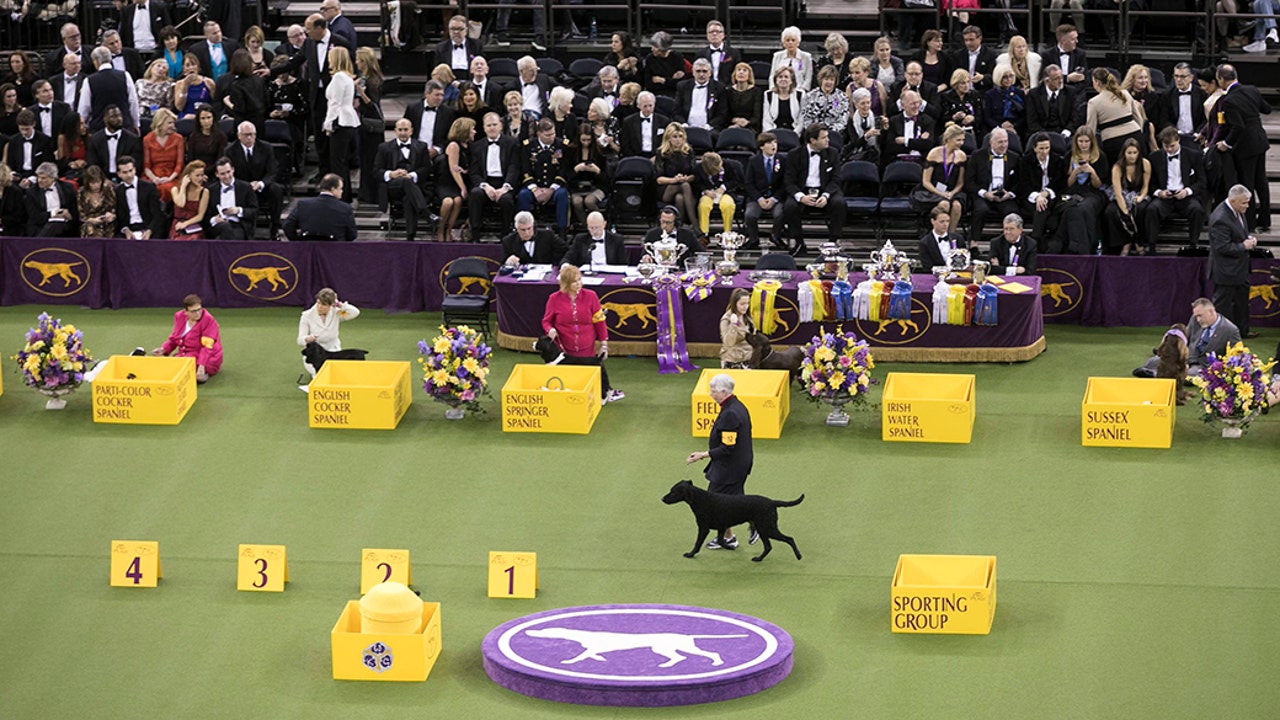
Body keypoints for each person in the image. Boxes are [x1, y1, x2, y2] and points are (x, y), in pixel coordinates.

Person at [684, 373, 753, 549]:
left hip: (730, 467)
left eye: (713, 391)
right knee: (728, 502)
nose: (710, 394)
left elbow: (727, 448)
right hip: (737, 463)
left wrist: (702, 454)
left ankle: (754, 522)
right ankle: (729, 537)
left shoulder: (730, 413)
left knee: (716, 502)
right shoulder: (736, 405)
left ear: (723, 392)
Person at [541, 263, 624, 403]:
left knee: (589, 372)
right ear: (566, 284)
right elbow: (546, 321)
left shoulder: (591, 296)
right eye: (574, 282)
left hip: (586, 345)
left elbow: (599, 321)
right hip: (564, 346)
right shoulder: (554, 298)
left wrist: (604, 344)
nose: (579, 284)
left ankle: (603, 392)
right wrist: (550, 330)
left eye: (580, 280)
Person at [1215, 65, 1271, 233]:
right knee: (1261, 182)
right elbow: (1266, 109)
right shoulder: (1251, 90)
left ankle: (1250, 224)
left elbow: (1237, 127)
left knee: (1248, 182)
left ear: (1222, 80)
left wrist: (1225, 144)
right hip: (1260, 141)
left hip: (1246, 147)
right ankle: (1265, 220)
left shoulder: (1229, 100)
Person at [782, 122, 844, 256]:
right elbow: (789, 180)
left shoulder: (833, 153)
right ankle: (799, 243)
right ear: (813, 140)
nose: (828, 140)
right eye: (824, 138)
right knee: (790, 206)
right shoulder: (795, 154)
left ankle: (832, 243)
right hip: (802, 190)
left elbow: (836, 179)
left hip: (825, 190)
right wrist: (801, 197)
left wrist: (826, 195)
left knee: (839, 203)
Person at [1136, 297, 1240, 378]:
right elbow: (1185, 337)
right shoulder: (1195, 319)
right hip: (1186, 357)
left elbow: (1236, 356)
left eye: (1200, 316)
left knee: (1191, 375)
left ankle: (1155, 374)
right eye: (1196, 316)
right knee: (1152, 362)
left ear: (1211, 311)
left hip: (1203, 366)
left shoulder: (1230, 330)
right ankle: (1149, 370)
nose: (1198, 320)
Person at [1145, 126, 1207, 253]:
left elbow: (1202, 181)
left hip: (1185, 196)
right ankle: (1151, 246)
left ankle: (1193, 245)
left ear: (1178, 140)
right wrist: (1159, 192)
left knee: (1196, 210)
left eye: (1172, 146)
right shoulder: (1154, 157)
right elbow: (1150, 183)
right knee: (1152, 209)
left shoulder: (1193, 155)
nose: (1169, 149)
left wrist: (1187, 191)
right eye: (1166, 146)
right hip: (1165, 197)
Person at [1208, 185, 1258, 339]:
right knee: (1223, 305)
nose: (1247, 206)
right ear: (1233, 200)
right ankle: (1220, 336)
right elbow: (1221, 247)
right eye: (1244, 203)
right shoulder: (1220, 218)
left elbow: (1237, 233)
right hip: (1226, 271)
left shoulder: (1236, 210)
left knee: (1242, 302)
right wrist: (1244, 245)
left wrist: (1247, 239)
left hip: (1239, 269)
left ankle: (1242, 331)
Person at [374, 118, 433, 241]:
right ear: (395, 131)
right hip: (392, 188)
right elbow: (376, 172)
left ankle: (410, 237)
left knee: (408, 197)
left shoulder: (421, 146)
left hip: (414, 188)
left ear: (411, 131)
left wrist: (412, 175)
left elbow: (426, 168)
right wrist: (391, 174)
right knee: (406, 182)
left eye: (405, 130)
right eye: (400, 130)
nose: (403, 132)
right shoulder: (384, 147)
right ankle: (426, 213)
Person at [467, 111, 518, 242]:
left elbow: (514, 167)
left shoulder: (512, 143)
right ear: (484, 128)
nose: (492, 128)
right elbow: (474, 172)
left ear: (501, 126)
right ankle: (475, 234)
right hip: (486, 182)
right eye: (488, 125)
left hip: (504, 183)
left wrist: (505, 187)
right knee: (475, 194)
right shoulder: (477, 146)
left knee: (506, 200)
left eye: (494, 124)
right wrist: (485, 186)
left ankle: (506, 236)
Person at [1016, 132, 1070, 252]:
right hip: (1030, 198)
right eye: (1041, 148)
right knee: (1043, 211)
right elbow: (1023, 185)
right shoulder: (1025, 161)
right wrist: (1037, 197)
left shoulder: (1057, 160)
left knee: (1048, 213)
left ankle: (1035, 243)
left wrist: (1047, 193)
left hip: (1051, 197)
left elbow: (1060, 183)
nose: (1044, 151)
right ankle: (1037, 243)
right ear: (1035, 148)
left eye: (1047, 148)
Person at [518, 117, 572, 235]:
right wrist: (534, 189)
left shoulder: (561, 145)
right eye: (547, 135)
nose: (551, 137)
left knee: (562, 195)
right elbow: (525, 170)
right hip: (534, 185)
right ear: (539, 134)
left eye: (553, 134)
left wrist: (552, 189)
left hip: (555, 186)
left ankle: (562, 231)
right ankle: (524, 230)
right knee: (523, 195)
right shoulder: (528, 146)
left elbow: (564, 170)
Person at [152, 294, 222, 383]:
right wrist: (163, 349)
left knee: (175, 369)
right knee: (172, 367)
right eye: (193, 311)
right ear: (186, 312)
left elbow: (207, 347)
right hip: (186, 354)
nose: (197, 313)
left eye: (199, 309)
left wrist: (201, 367)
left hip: (208, 357)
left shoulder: (209, 321)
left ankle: (201, 373)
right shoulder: (179, 316)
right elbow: (175, 338)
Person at [1064, 125, 1109, 254]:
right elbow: (1068, 184)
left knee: (1084, 208)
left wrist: (1092, 172)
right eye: (1081, 141)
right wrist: (1075, 172)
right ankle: (1074, 245)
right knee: (1071, 208)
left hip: (1093, 193)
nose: (1083, 144)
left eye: (1086, 141)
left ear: (1092, 142)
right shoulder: (1070, 156)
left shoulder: (1100, 157)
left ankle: (1085, 246)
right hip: (1074, 192)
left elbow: (1099, 184)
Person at [298, 287, 360, 379]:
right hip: (315, 354)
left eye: (324, 305)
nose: (319, 307)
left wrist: (339, 304)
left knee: (336, 376)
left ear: (331, 305)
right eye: (318, 303)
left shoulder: (337, 313)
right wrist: (308, 339)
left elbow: (354, 313)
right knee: (321, 376)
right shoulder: (307, 316)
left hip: (333, 351)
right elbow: (300, 340)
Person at [1087, 68, 1145, 164]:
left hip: (1113, 142)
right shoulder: (1125, 93)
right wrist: (1139, 133)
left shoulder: (1094, 102)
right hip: (1135, 136)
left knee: (1116, 172)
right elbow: (1138, 117)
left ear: (1096, 82)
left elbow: (1091, 129)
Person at [323, 46, 358, 203]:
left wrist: (328, 125)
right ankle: (345, 196)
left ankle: (341, 197)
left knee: (338, 163)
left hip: (340, 122)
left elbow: (335, 104)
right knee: (342, 163)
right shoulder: (347, 77)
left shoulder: (338, 78)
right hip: (348, 121)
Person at [911, 124, 967, 221]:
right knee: (944, 204)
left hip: (952, 191)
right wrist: (941, 194)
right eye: (958, 140)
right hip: (932, 191)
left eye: (962, 140)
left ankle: (950, 234)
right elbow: (926, 181)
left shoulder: (962, 156)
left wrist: (952, 193)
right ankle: (939, 233)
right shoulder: (934, 153)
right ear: (948, 139)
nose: (961, 143)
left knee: (957, 205)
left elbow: (960, 182)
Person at [1104, 138, 1151, 255]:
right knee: (1111, 212)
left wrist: (1141, 197)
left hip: (1138, 193)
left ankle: (1138, 242)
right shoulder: (1117, 167)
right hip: (1121, 195)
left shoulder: (1145, 164)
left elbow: (1145, 186)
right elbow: (1118, 193)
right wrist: (1125, 211)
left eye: (1135, 153)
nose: (1132, 156)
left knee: (1139, 209)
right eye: (1129, 153)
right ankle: (1125, 243)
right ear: (1124, 153)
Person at [79, 46, 140, 133]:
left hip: (99, 130)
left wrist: (84, 125)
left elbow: (84, 108)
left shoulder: (89, 80)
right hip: (124, 127)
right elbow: (133, 103)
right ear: (110, 59)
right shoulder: (125, 76)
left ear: (96, 62)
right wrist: (136, 124)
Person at [283, 172, 356, 241]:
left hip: (308, 250)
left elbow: (287, 226)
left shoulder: (303, 204)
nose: (342, 191)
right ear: (333, 189)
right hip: (335, 251)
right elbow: (352, 235)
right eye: (340, 188)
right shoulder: (345, 208)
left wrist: (299, 242)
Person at [744, 131, 784, 249]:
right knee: (750, 215)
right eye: (770, 143)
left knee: (780, 213)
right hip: (757, 197)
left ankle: (776, 236)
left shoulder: (783, 160)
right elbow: (749, 183)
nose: (774, 145)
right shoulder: (753, 161)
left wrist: (774, 198)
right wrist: (759, 198)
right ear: (762, 146)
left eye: (775, 142)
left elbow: (785, 183)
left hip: (776, 197)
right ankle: (753, 239)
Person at [439, 116, 474, 242]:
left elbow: (467, 166)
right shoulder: (454, 145)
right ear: (464, 130)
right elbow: (453, 169)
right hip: (447, 181)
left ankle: (449, 230)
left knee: (458, 201)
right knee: (448, 202)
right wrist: (463, 188)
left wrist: (466, 171)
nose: (474, 131)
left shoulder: (470, 146)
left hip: (459, 181)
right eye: (472, 129)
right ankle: (440, 229)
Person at [205, 156, 257, 239]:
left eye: (228, 172)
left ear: (233, 169)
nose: (227, 176)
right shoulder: (211, 190)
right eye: (222, 174)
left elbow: (254, 211)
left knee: (227, 237)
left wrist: (238, 210)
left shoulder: (245, 187)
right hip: (218, 226)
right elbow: (205, 214)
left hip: (238, 225)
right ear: (216, 174)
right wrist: (214, 219)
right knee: (225, 230)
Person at [655, 122, 697, 225]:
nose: (678, 140)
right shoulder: (662, 153)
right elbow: (659, 179)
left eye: (680, 137)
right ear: (668, 138)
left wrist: (686, 178)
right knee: (685, 186)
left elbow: (694, 175)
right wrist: (675, 180)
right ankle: (695, 225)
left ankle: (679, 228)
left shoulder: (688, 151)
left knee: (680, 198)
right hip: (666, 188)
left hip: (684, 188)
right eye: (675, 137)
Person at [115, 154, 165, 239]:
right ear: (119, 174)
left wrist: (150, 230)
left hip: (148, 226)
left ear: (135, 169)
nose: (129, 175)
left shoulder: (149, 187)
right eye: (125, 172)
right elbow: (120, 215)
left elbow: (157, 213)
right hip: (129, 228)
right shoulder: (118, 191)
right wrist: (126, 230)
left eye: (131, 170)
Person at [567, 124, 608, 227]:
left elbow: (606, 178)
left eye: (588, 140)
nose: (586, 143)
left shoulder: (599, 151)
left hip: (596, 185)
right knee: (577, 202)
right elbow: (566, 175)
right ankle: (588, 226)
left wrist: (597, 170)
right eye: (583, 140)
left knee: (589, 201)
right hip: (577, 186)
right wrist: (576, 169)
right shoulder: (571, 151)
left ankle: (602, 224)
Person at [403, 80, 455, 158]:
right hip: (413, 151)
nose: (440, 98)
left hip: (437, 154)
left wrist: (437, 149)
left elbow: (450, 136)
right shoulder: (413, 109)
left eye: (442, 95)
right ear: (427, 94)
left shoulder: (448, 112)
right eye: (437, 95)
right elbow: (405, 129)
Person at [674, 58, 728, 133]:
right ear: (693, 72)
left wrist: (708, 126)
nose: (701, 74)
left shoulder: (719, 88)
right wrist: (683, 124)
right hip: (685, 128)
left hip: (710, 129)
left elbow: (722, 114)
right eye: (698, 71)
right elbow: (676, 110)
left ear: (710, 73)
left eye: (704, 71)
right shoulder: (682, 86)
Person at [694, 151, 739, 241]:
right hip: (708, 193)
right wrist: (705, 191)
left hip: (726, 192)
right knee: (703, 206)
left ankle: (727, 234)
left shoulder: (728, 165)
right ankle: (704, 235)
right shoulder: (698, 168)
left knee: (727, 205)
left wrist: (723, 187)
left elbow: (735, 181)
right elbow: (697, 184)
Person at [24, 161, 76, 235]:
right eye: (38, 177)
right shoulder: (32, 192)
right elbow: (34, 217)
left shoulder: (67, 189)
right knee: (54, 226)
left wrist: (69, 216)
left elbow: (74, 213)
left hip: (64, 224)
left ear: (53, 178)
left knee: (58, 226)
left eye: (43, 178)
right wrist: (53, 213)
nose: (39, 181)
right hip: (42, 225)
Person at [885, 90, 936, 164]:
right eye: (912, 104)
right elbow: (891, 146)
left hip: (920, 161)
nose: (916, 106)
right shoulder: (894, 121)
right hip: (898, 161)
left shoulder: (927, 120)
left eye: (918, 102)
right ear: (903, 105)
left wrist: (906, 141)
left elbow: (928, 144)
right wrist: (917, 143)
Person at [142, 106, 183, 198]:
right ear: (160, 123)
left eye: (173, 123)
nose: (172, 126)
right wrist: (154, 179)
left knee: (167, 188)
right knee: (150, 188)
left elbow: (179, 164)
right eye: (169, 123)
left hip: (172, 175)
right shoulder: (147, 139)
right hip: (153, 175)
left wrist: (170, 178)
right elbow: (146, 165)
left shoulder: (178, 138)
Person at [224, 49, 266, 138]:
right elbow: (267, 100)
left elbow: (240, 109)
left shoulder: (236, 85)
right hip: (260, 122)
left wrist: (228, 102)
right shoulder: (260, 80)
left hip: (244, 126)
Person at [799, 64, 849, 138]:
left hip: (833, 134)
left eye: (832, 79)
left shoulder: (842, 97)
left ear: (835, 81)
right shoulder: (810, 96)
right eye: (826, 79)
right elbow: (806, 118)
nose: (829, 82)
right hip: (813, 134)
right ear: (821, 79)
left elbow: (843, 121)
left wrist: (828, 132)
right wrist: (816, 132)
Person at [1025, 64, 1074, 137]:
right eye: (1056, 79)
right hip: (1040, 133)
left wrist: (1066, 132)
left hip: (1064, 132)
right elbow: (1032, 120)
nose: (1060, 81)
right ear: (1047, 81)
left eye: (1061, 77)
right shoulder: (1034, 94)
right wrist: (1044, 135)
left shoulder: (1070, 92)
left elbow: (1075, 117)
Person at [5, 109, 53, 182]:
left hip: (37, 177)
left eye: (27, 129)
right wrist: (13, 174)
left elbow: (47, 164)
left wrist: (32, 179)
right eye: (22, 129)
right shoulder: (13, 140)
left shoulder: (44, 140)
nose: (24, 132)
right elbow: (10, 163)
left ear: (33, 124)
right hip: (18, 176)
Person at [620, 90, 668, 159]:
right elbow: (625, 144)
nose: (648, 109)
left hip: (656, 157)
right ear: (638, 106)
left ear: (654, 104)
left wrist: (657, 157)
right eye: (645, 106)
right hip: (635, 157)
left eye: (650, 106)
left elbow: (665, 143)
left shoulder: (664, 121)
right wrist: (636, 158)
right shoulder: (628, 121)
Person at [917, 205, 968, 270]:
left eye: (947, 221)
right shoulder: (925, 243)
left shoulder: (958, 238)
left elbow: (964, 261)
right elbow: (927, 267)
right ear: (933, 221)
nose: (945, 224)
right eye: (942, 221)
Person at [983, 65, 1027, 139]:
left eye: (1011, 76)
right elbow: (987, 117)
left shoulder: (1019, 93)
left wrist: (1013, 125)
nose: (1008, 79)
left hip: (1017, 129)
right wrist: (1001, 126)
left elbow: (1024, 115)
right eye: (1005, 77)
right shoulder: (990, 94)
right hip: (996, 129)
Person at [951, 26, 998, 92]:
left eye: (971, 40)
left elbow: (994, 76)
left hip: (982, 92)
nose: (968, 43)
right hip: (961, 93)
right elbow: (953, 75)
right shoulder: (958, 55)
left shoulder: (990, 54)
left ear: (980, 39)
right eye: (966, 40)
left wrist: (983, 77)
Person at [170, 160, 209, 239]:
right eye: (197, 176)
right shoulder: (175, 190)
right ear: (188, 176)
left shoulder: (204, 192)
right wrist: (183, 187)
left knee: (193, 238)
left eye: (202, 175)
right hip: (178, 224)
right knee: (177, 239)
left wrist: (186, 223)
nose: (200, 178)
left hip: (193, 225)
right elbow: (181, 204)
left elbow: (200, 216)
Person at [938, 69, 983, 138]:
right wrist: (954, 117)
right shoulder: (946, 96)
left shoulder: (975, 95)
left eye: (968, 82)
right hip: (953, 132)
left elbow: (980, 115)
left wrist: (973, 118)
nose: (966, 85)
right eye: (963, 83)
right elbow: (942, 118)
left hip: (972, 131)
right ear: (956, 84)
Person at [696, 19, 739, 86]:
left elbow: (736, 73)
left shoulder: (733, 53)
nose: (714, 34)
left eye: (718, 32)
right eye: (711, 32)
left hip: (727, 89)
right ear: (707, 36)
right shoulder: (701, 53)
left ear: (723, 35)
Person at [846, 87, 883, 164]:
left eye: (868, 102)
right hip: (857, 154)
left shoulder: (876, 118)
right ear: (856, 104)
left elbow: (882, 140)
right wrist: (867, 135)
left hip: (874, 153)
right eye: (863, 103)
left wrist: (885, 127)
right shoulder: (851, 121)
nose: (866, 106)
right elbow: (855, 143)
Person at [77, 164, 116, 237]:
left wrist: (111, 215)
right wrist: (91, 220)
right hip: (89, 222)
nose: (96, 185)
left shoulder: (108, 189)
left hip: (106, 222)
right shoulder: (81, 192)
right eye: (92, 183)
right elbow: (81, 214)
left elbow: (114, 208)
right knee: (89, 228)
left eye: (98, 182)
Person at [771, 26, 813, 93]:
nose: (790, 43)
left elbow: (808, 78)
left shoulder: (806, 57)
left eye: (793, 40)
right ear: (783, 43)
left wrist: (802, 91)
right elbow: (772, 75)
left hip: (800, 91)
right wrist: (774, 89)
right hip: (780, 91)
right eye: (787, 40)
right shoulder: (777, 56)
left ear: (798, 42)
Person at [719, 289, 754, 369]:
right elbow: (729, 343)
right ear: (734, 304)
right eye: (742, 304)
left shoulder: (747, 316)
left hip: (748, 358)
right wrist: (733, 326)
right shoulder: (726, 320)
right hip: (733, 360)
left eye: (748, 303)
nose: (746, 307)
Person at [644, 31, 686, 97]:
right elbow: (649, 84)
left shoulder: (677, 57)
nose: (652, 49)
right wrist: (670, 80)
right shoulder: (650, 58)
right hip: (655, 94)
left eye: (655, 46)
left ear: (663, 48)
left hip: (674, 94)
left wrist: (663, 80)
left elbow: (679, 84)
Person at [724, 63, 762, 133]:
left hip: (750, 126)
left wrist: (746, 122)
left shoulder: (756, 91)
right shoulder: (728, 91)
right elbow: (724, 114)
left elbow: (757, 116)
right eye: (739, 70)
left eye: (744, 70)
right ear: (735, 74)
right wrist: (735, 121)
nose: (741, 72)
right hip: (731, 125)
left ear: (749, 75)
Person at [173, 55, 213, 119]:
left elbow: (216, 103)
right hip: (186, 117)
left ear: (198, 66)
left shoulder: (208, 82)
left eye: (193, 64)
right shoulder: (179, 84)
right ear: (183, 69)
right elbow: (179, 107)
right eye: (188, 65)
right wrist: (185, 86)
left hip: (204, 117)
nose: (191, 68)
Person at [55, 113, 88, 181]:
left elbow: (92, 159)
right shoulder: (62, 138)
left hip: (85, 171)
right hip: (68, 172)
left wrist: (84, 163)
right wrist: (70, 164)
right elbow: (61, 163)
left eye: (84, 123)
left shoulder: (89, 139)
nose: (85, 126)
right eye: (81, 124)